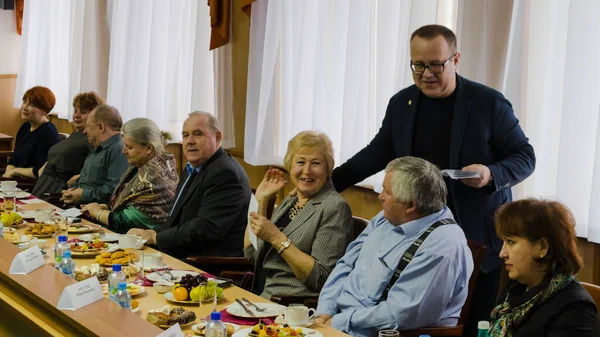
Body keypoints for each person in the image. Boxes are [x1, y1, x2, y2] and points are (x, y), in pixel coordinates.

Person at [330, 24, 536, 335]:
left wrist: (491, 174)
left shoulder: (488, 103)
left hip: (476, 237)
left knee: (469, 325)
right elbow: (376, 153)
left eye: (436, 65)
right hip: (416, 235)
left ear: (455, 60)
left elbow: (525, 156)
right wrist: (328, 184)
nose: (426, 74)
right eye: (418, 65)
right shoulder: (402, 103)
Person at [316, 157, 473, 337]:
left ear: (410, 205)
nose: (380, 196)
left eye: (386, 191)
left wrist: (339, 322)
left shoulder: (441, 247)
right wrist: (325, 311)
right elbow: (346, 264)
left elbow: (401, 313)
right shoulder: (385, 218)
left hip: (381, 332)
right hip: (337, 324)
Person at [244, 131, 353, 299]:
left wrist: (276, 238)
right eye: (300, 162)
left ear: (328, 169)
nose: (307, 171)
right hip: (262, 297)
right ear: (290, 165)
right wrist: (260, 200)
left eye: (316, 163)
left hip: (292, 305)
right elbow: (251, 253)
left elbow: (322, 277)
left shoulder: (334, 207)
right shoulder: (292, 200)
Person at [128, 112, 251, 259]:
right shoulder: (193, 168)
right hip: (182, 254)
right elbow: (176, 219)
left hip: (206, 264)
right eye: (185, 135)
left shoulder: (225, 173)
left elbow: (205, 229)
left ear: (217, 138)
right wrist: (149, 235)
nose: (189, 141)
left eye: (197, 134)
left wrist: (156, 238)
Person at [490, 199, 600, 337]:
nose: (502, 253)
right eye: (503, 242)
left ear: (542, 247)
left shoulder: (576, 311)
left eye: (511, 242)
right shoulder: (517, 287)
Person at [80, 118, 178, 234]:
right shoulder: (142, 165)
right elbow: (127, 204)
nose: (123, 151)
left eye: (129, 147)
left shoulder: (153, 178)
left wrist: (97, 212)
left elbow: (126, 223)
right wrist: (107, 208)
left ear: (148, 148)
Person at [32, 92, 104, 197]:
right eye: (75, 111)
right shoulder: (74, 136)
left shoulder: (93, 139)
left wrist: (79, 179)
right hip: (43, 184)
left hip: (59, 191)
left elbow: (96, 169)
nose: (76, 115)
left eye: (83, 112)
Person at [60, 104, 128, 206]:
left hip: (94, 212)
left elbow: (115, 190)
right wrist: (71, 191)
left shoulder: (119, 150)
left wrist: (83, 195)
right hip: (77, 207)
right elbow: (85, 180)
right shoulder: (97, 148)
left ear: (101, 127)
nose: (84, 131)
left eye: (88, 126)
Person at [2, 86, 59, 179]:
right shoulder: (25, 127)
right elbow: (14, 158)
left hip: (30, 184)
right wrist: (8, 172)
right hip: (15, 179)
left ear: (45, 110)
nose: (24, 107)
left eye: (31, 105)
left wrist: (14, 171)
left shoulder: (48, 132)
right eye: (24, 102)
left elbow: (40, 171)